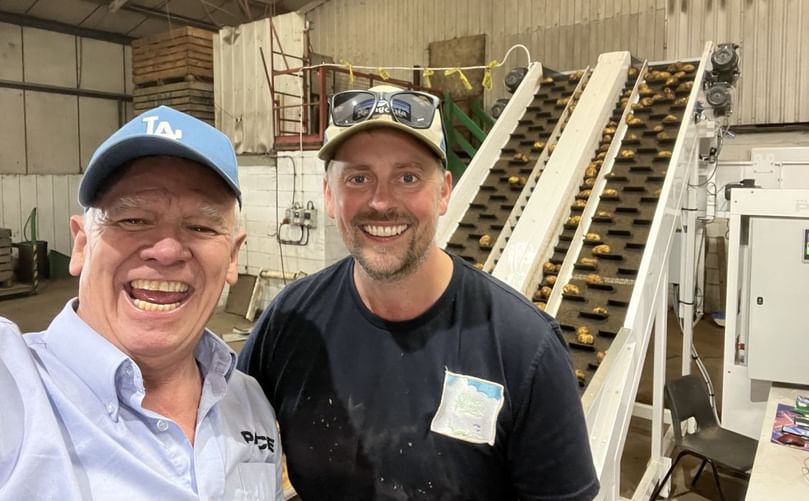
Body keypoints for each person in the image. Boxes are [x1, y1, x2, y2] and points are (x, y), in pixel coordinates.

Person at [238, 85, 599, 500]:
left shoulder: (523, 348)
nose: (381, 202)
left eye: (407, 177)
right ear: (328, 196)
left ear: (444, 191)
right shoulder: (290, 322)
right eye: (358, 178)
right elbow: (226, 442)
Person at [0, 106, 284, 500]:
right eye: (132, 219)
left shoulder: (250, 404)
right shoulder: (15, 387)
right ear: (82, 244)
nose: (166, 251)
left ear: (233, 257)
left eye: (200, 226)